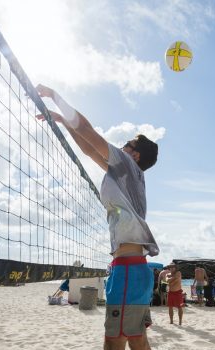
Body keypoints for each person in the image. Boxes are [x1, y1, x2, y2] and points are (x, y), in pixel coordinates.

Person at [35, 85, 159, 350]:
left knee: (115, 343)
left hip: (127, 271)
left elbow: (89, 132)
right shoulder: (125, 173)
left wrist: (56, 97)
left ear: (134, 154)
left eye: (127, 144)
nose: (122, 145)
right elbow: (89, 148)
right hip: (131, 269)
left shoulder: (127, 166)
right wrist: (62, 122)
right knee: (138, 339)